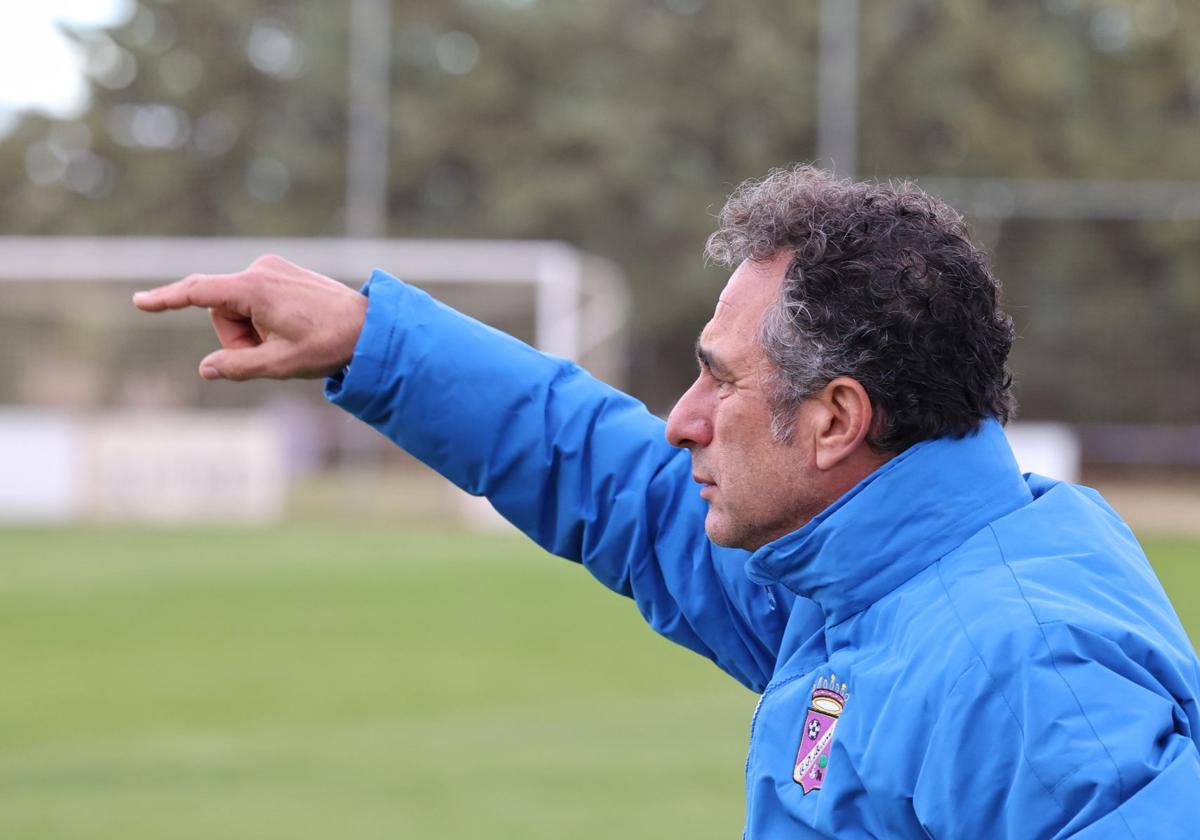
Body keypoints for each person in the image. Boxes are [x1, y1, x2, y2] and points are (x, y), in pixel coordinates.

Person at [133, 165, 1200, 837]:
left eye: (721, 380)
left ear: (835, 419)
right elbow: (621, 485)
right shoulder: (864, 571)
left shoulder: (1017, 668)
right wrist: (376, 341)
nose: (683, 418)